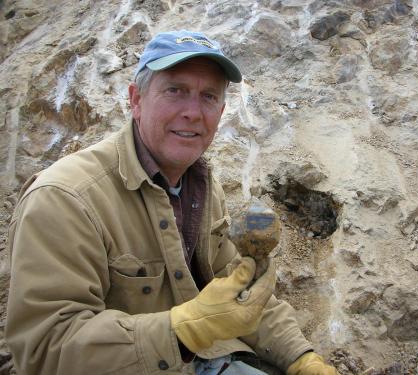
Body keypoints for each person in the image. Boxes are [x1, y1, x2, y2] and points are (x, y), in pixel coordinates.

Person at [5, 30, 338, 375]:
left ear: (221, 111)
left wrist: (301, 357)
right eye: (175, 91)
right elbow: (44, 350)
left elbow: (238, 291)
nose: (193, 112)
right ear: (136, 99)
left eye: (208, 96)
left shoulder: (203, 186)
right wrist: (181, 332)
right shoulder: (64, 200)